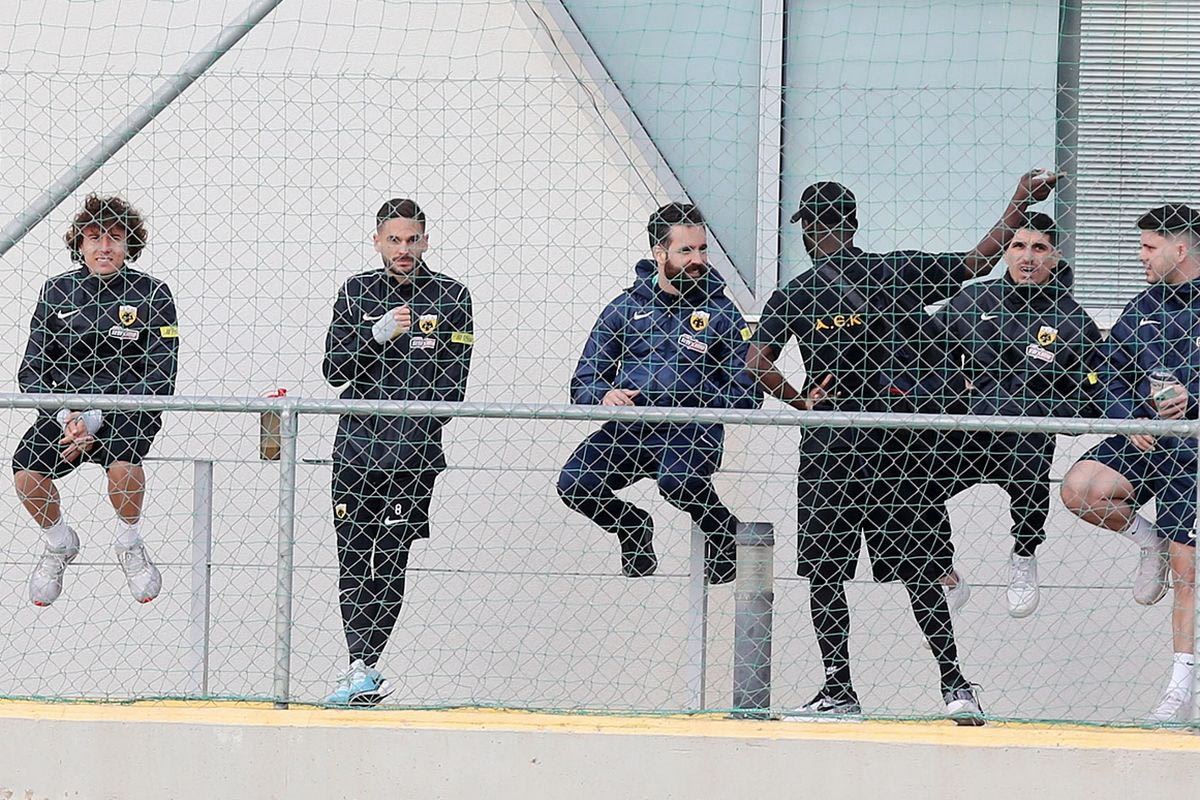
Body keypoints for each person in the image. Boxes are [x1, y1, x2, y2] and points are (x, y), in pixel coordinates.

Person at [746, 170, 1058, 723]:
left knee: (826, 572)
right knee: (918, 571)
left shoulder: (796, 292)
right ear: (853, 225)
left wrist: (800, 401)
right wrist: (1017, 200)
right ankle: (955, 686)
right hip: (899, 448)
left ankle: (839, 689)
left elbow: (755, 363)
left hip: (830, 448)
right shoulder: (896, 271)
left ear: (808, 230)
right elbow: (977, 261)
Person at [557, 202, 761, 585]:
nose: (698, 260)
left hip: (691, 431)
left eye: (702, 249)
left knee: (677, 481)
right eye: (686, 250)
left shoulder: (722, 313)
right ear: (659, 253)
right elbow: (584, 381)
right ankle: (632, 527)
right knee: (575, 483)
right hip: (632, 430)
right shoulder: (624, 308)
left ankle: (725, 534)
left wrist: (693, 397)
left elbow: (748, 393)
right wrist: (604, 395)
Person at [321, 198, 474, 705]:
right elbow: (333, 370)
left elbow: (453, 389)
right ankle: (359, 667)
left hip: (414, 454)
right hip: (355, 448)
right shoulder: (356, 291)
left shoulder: (452, 296)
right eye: (394, 240)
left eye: (412, 240)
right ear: (377, 242)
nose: (403, 249)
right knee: (352, 557)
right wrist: (375, 336)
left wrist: (410, 425)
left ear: (426, 241)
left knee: (390, 557)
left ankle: (365, 666)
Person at [1060, 204, 1199, 723]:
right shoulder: (1141, 306)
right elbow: (1109, 376)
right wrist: (1130, 417)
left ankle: (1180, 688)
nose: (1140, 256)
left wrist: (1192, 401)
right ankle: (1149, 540)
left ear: (1179, 250)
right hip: (1145, 441)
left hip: (1192, 452)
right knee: (1079, 488)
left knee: (1187, 571)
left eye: (1148, 247)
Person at [934, 212, 1103, 618]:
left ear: (1056, 256)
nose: (1028, 257)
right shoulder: (973, 302)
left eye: (1039, 247)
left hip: (1025, 440)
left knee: (1030, 482)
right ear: (1006, 252)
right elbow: (926, 355)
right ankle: (945, 574)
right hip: (969, 431)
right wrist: (955, 390)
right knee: (911, 487)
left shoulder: (1074, 322)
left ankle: (1024, 555)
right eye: (1018, 246)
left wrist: (1038, 408)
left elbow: (1093, 398)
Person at [14, 193, 179, 607]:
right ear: (79, 244)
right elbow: (32, 369)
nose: (104, 247)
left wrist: (97, 416)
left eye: (115, 238)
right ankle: (59, 543)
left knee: (123, 466)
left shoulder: (153, 294)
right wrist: (66, 416)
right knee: (26, 474)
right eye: (94, 238)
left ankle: (129, 543)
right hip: (65, 412)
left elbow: (161, 374)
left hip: (128, 409)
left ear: (129, 245)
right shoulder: (56, 291)